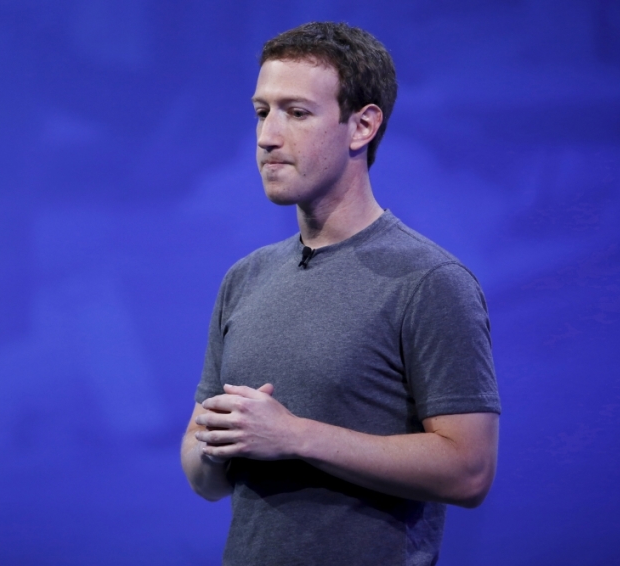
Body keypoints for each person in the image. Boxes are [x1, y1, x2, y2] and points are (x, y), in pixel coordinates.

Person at [180, 21, 501, 566]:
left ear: (362, 126)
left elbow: (469, 471)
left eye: (296, 113)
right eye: (262, 112)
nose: (267, 136)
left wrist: (295, 436)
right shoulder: (245, 278)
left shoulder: (429, 281)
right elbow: (205, 480)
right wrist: (214, 447)